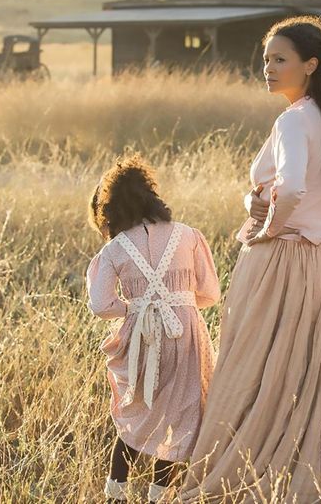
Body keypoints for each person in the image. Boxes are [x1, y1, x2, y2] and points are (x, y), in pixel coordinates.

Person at [178, 15, 321, 503]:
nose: (269, 68)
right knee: (312, 373)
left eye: (280, 59)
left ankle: (250, 474)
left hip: (282, 262)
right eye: (265, 60)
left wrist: (267, 230)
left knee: (255, 369)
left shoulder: (294, 120)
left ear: (311, 65)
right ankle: (307, 473)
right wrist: (253, 204)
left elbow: (294, 188)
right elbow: (280, 189)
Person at [85, 156, 220, 502]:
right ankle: (160, 496)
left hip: (141, 336)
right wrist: (180, 304)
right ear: (150, 195)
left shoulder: (114, 249)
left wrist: (132, 309)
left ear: (111, 208)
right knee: (180, 414)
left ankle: (115, 492)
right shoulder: (188, 236)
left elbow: (100, 305)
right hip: (186, 334)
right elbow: (210, 293)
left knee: (139, 411)